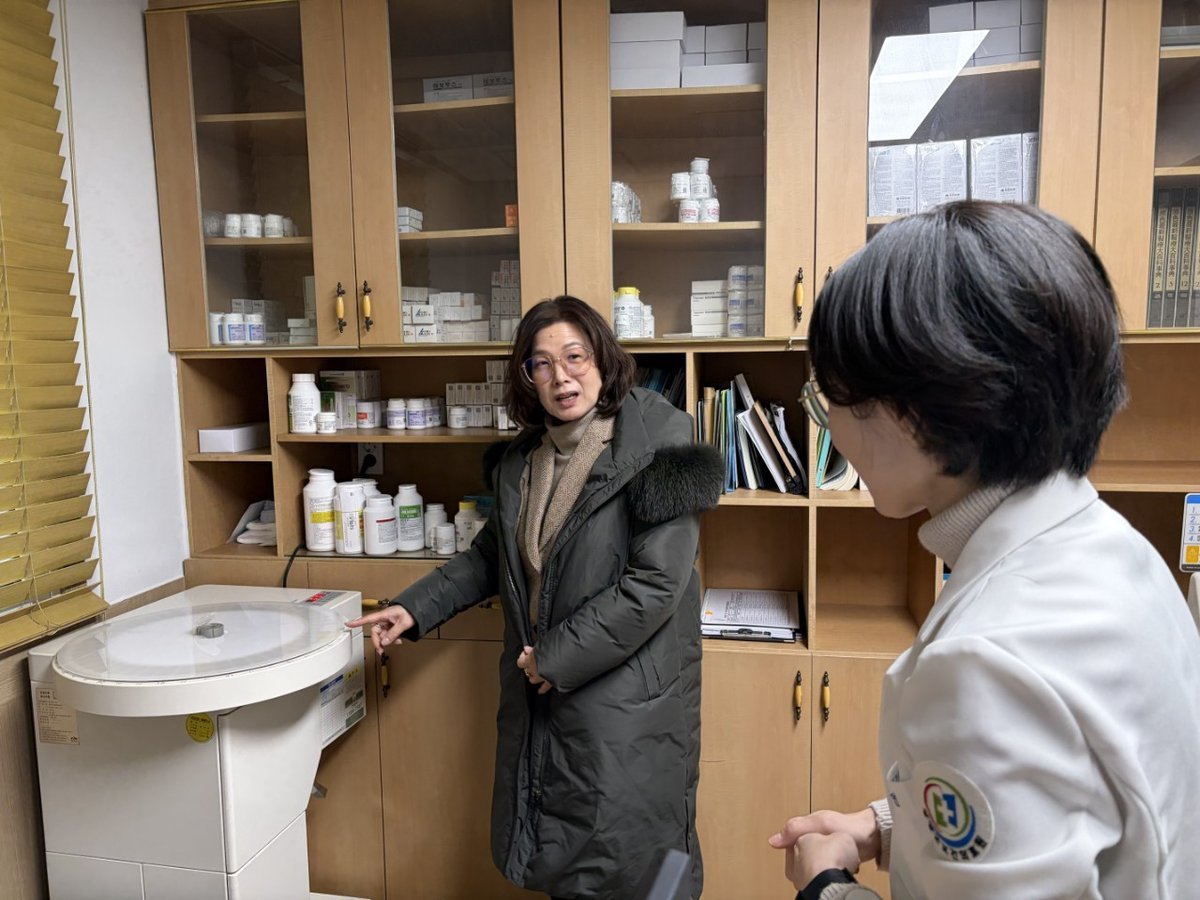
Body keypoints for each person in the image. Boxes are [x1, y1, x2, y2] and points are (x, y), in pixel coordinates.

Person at [768, 201, 1200, 900]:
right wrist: (887, 823)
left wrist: (825, 885)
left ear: (913, 410)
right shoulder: (1119, 550)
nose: (831, 431)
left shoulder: (985, 662)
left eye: (831, 400)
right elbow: (1071, 798)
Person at [348, 296, 722, 900]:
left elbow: (655, 583)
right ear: (527, 378)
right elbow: (490, 557)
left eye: (575, 356)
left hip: (625, 700)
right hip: (542, 688)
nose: (561, 376)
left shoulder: (660, 445)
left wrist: (554, 657)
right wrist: (414, 606)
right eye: (541, 364)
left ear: (603, 359)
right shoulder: (525, 460)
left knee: (630, 863)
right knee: (564, 857)